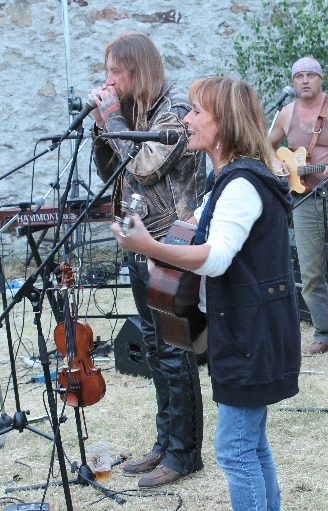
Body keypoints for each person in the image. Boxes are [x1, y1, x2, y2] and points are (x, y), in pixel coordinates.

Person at [110, 76, 301, 511]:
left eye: (196, 112)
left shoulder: (241, 185)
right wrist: (147, 236)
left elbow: (214, 258)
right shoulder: (229, 181)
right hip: (250, 328)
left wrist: (151, 247)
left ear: (224, 123)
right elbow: (193, 228)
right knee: (251, 440)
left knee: (234, 447)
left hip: (251, 334)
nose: (186, 120)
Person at [90, 31, 206, 487]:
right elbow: (112, 171)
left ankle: (184, 454)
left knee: (176, 350)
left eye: (115, 72)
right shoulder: (132, 112)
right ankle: (165, 442)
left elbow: (144, 167)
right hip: (140, 242)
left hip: (172, 243)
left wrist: (113, 119)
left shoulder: (173, 111)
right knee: (156, 349)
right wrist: (102, 128)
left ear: (137, 71)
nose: (108, 81)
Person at [269, 56, 328, 355]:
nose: (304, 80)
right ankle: (324, 334)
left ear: (320, 78)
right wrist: (276, 164)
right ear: (293, 82)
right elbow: (265, 144)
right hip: (304, 197)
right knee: (310, 271)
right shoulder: (286, 113)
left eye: (310, 75)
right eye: (299, 76)